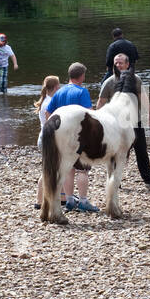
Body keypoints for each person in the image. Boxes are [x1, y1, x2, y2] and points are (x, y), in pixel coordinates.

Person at [97, 52, 150, 188]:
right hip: (116, 124)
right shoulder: (109, 82)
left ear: (127, 64)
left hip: (134, 121)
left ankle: (148, 179)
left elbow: (142, 96)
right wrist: (98, 119)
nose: (118, 65)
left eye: (121, 62)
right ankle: (114, 179)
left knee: (141, 150)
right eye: (116, 63)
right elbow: (101, 102)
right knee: (117, 151)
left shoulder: (135, 79)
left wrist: (149, 114)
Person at [46, 63, 99, 213]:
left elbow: (48, 114)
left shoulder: (59, 92)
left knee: (68, 169)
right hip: (78, 136)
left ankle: (69, 200)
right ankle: (83, 201)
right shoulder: (82, 92)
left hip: (61, 136)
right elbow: (89, 114)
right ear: (82, 76)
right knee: (83, 170)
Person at [33, 74, 62, 209]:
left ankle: (41, 200)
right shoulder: (50, 103)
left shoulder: (44, 100)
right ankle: (43, 200)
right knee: (50, 171)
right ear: (57, 87)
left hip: (42, 137)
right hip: (48, 139)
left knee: (48, 170)